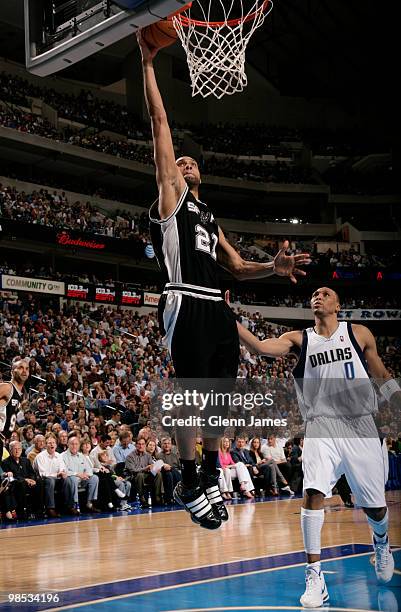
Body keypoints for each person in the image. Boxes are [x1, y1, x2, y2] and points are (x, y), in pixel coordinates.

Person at [136, 29, 310, 530]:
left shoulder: (209, 215)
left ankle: (210, 470)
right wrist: (148, 65)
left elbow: (235, 266)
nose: (183, 161)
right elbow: (159, 123)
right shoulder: (170, 198)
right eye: (179, 160)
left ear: (202, 175)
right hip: (185, 299)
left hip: (216, 302)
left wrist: (272, 270)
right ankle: (188, 476)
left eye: (191, 161)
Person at [233, 287, 398, 607]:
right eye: (314, 294)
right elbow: (261, 347)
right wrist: (232, 321)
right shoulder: (299, 338)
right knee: (313, 493)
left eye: (326, 293)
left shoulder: (359, 332)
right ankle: (314, 576)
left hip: (360, 424)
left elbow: (379, 371)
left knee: (375, 508)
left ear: (338, 305)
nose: (318, 296)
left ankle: (381, 542)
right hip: (321, 424)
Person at [0, 357, 29, 460]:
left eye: (27, 368)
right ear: (12, 371)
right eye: (20, 367)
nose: (24, 371)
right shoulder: (7, 388)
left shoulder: (20, 395)